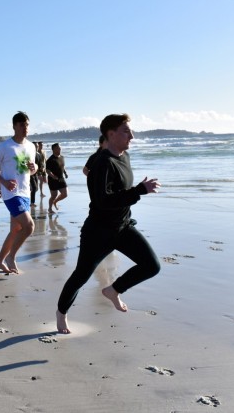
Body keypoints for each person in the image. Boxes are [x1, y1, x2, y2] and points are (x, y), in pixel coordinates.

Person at [56, 113, 161, 334]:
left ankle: (113, 290)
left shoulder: (124, 157)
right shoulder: (103, 162)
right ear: (110, 134)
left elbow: (120, 194)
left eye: (130, 131)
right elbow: (102, 201)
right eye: (126, 131)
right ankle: (61, 313)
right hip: (99, 232)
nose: (131, 135)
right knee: (81, 276)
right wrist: (138, 191)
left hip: (122, 227)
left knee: (152, 266)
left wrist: (135, 192)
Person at [0, 111, 37, 274]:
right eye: (22, 125)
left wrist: (34, 168)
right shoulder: (4, 146)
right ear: (14, 126)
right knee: (29, 226)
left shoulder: (31, 146)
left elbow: (33, 169)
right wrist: (4, 182)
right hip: (11, 193)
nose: (25, 128)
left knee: (16, 229)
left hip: (25, 192)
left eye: (27, 125)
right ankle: (11, 257)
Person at [46, 142, 68, 213]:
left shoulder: (62, 157)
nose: (60, 149)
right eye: (58, 148)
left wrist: (65, 173)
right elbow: (47, 170)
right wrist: (53, 176)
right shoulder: (50, 160)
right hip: (53, 180)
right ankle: (50, 208)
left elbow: (62, 166)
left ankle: (55, 202)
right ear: (54, 149)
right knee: (54, 195)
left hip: (61, 179)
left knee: (65, 194)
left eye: (60, 148)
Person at [29, 142, 39, 207]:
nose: (37, 147)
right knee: (34, 188)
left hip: (36, 173)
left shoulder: (38, 154)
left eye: (37, 146)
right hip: (30, 174)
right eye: (35, 146)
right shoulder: (29, 154)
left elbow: (39, 163)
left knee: (36, 188)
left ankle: (30, 198)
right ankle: (32, 202)